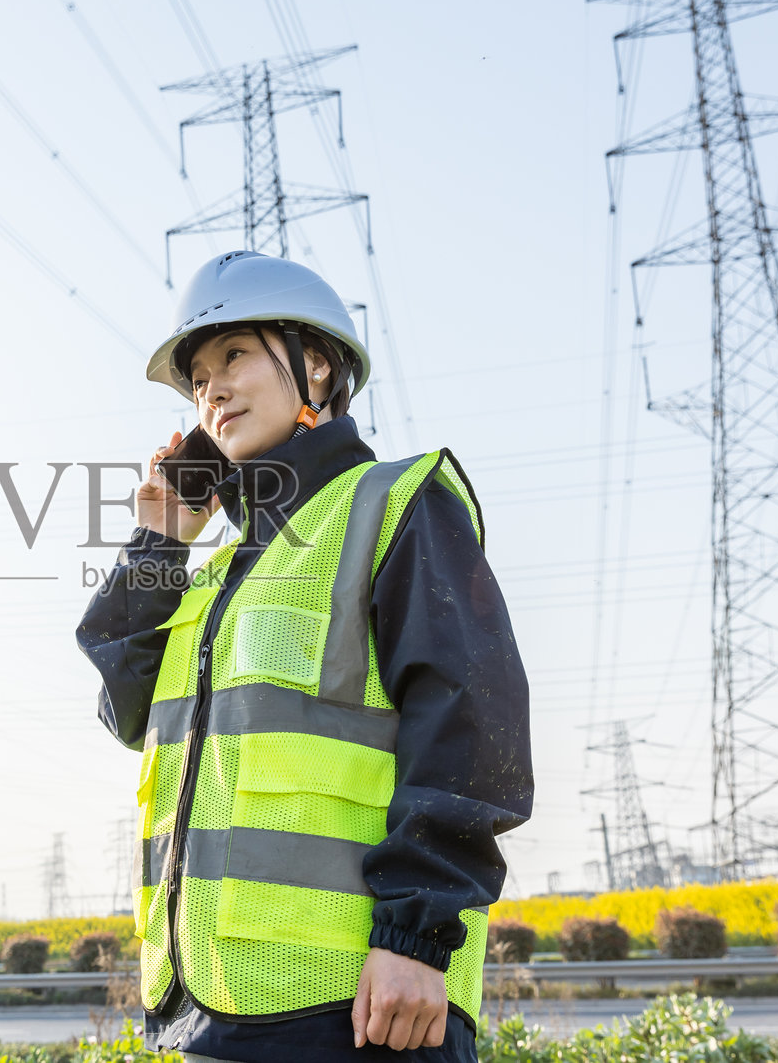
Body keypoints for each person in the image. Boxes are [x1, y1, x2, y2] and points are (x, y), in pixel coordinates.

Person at [75, 250, 532, 1063]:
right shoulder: (220, 575)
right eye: (198, 376)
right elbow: (125, 704)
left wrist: (416, 939)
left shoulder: (395, 502)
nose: (211, 388)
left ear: (316, 364)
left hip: (367, 1007)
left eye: (235, 355)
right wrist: (160, 540)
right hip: (213, 1012)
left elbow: (473, 725)